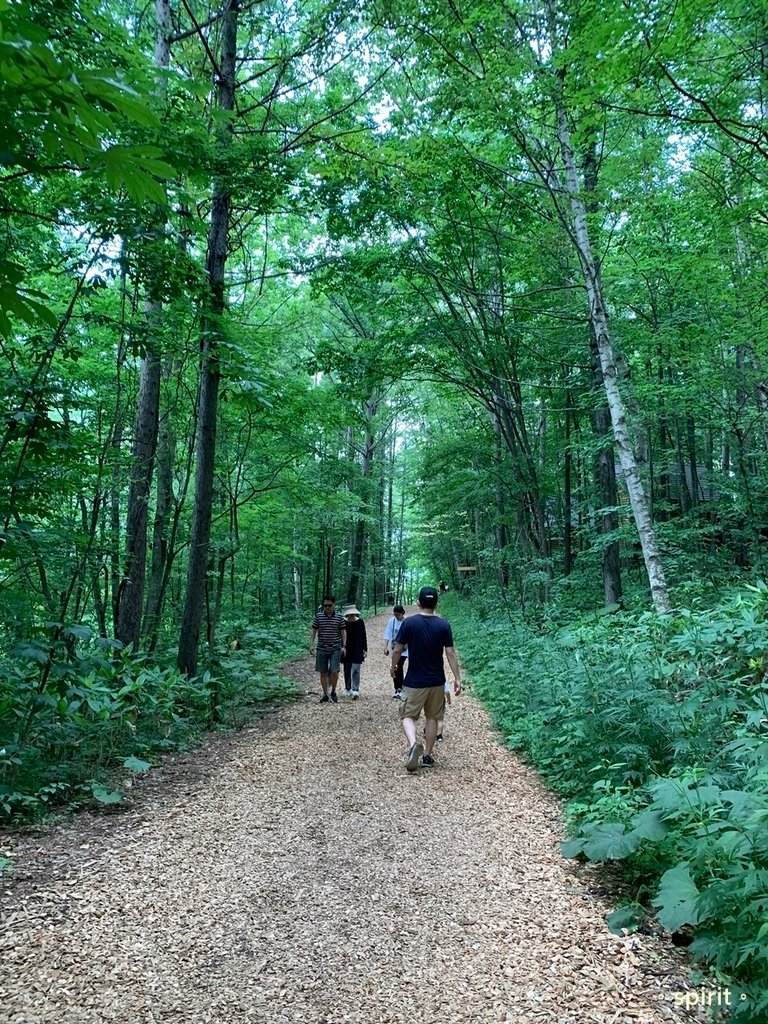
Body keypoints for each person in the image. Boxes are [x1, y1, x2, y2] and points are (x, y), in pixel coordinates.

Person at [390, 585, 461, 772]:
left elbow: (397, 648)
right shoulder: (444, 625)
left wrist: (394, 666)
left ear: (418, 602)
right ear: (436, 603)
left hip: (414, 681)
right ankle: (428, 756)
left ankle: (414, 744)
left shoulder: (409, 623)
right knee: (432, 717)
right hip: (437, 681)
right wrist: (457, 678)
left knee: (407, 715)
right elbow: (450, 653)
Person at [309, 596, 346, 703]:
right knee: (323, 672)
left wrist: (344, 646)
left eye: (329, 605)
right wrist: (311, 645)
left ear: (334, 605)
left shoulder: (339, 617)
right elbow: (313, 630)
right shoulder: (319, 616)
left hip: (335, 647)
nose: (327, 607)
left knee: (334, 671)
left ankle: (333, 691)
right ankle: (325, 694)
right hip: (321, 648)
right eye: (325, 605)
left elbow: (343, 632)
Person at [342, 605, 367, 699]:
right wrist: (342, 647)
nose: (351, 615)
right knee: (347, 669)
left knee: (356, 668)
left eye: (352, 613)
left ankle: (355, 689)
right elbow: (341, 635)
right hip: (347, 647)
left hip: (358, 647)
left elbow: (363, 635)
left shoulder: (360, 622)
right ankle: (347, 688)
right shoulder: (343, 622)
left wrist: (365, 649)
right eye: (349, 613)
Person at [383, 604, 407, 699]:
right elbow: (388, 633)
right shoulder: (391, 621)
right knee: (396, 667)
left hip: (406, 649)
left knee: (399, 665)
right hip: (395, 648)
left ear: (402, 613)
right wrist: (385, 647)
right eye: (395, 614)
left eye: (398, 614)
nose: (397, 616)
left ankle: (401, 688)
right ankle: (398, 688)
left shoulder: (407, 622)